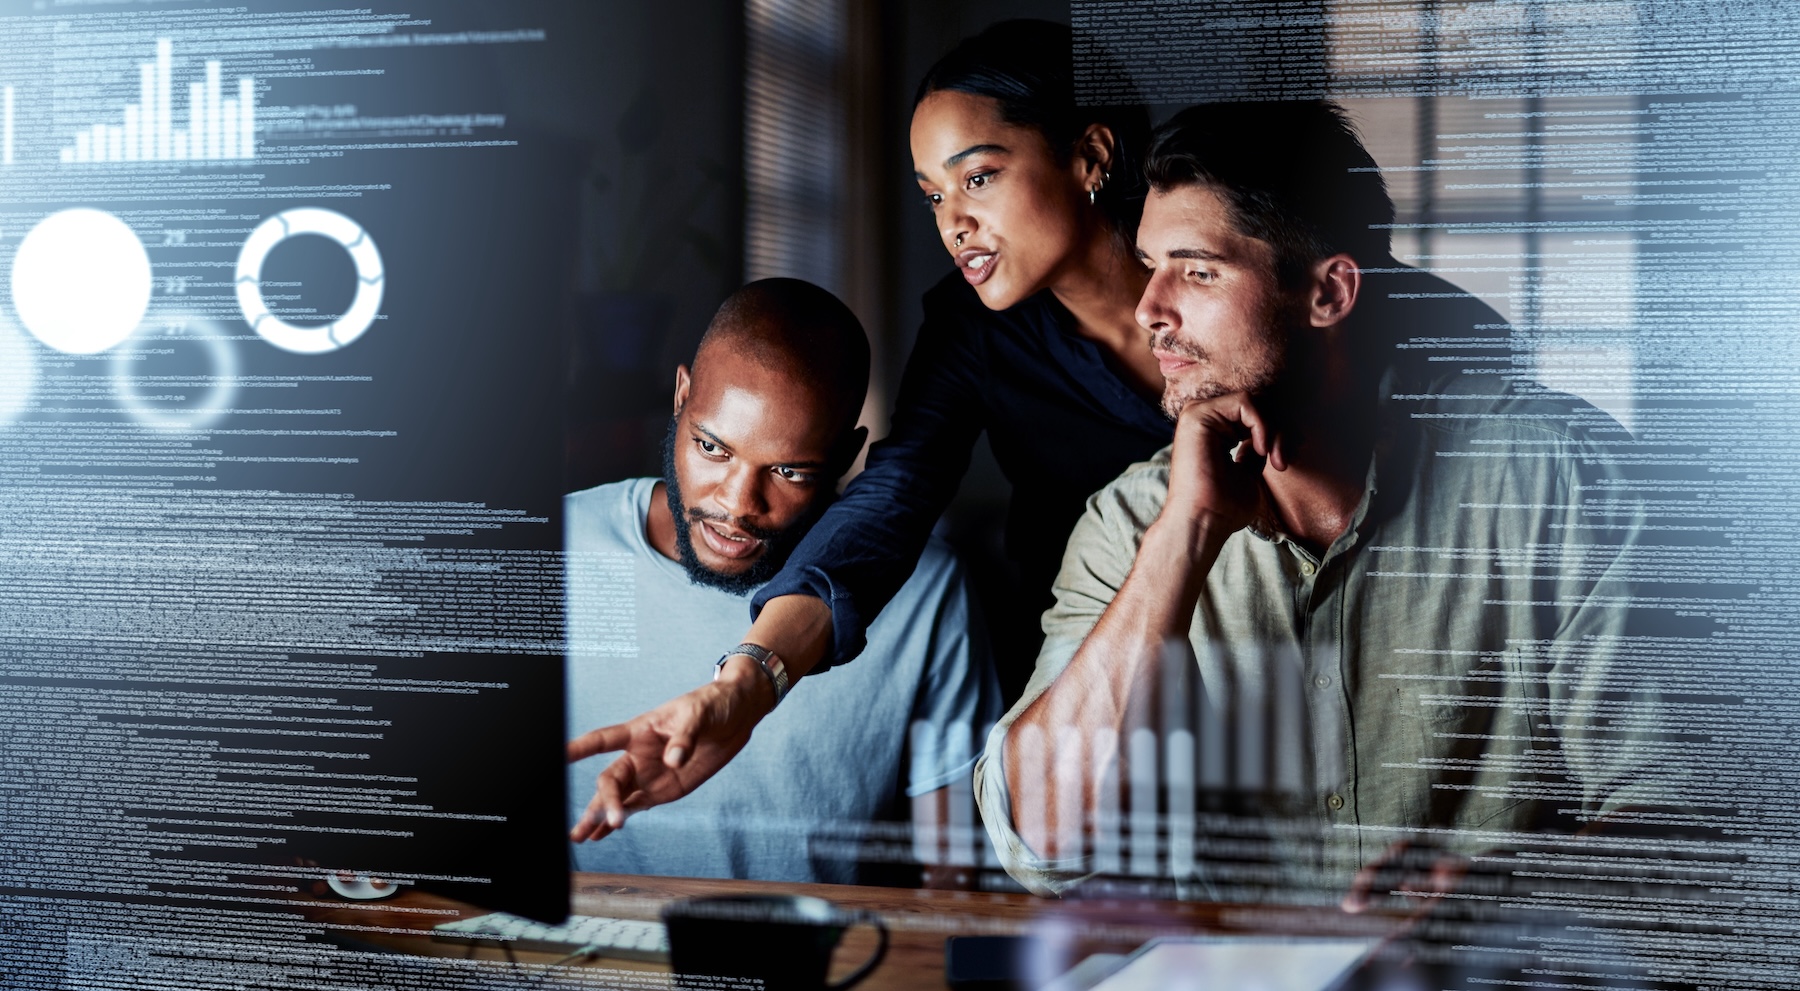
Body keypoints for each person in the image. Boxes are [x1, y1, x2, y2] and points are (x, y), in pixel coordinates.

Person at [973, 101, 1679, 904]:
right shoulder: (1133, 523)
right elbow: (1041, 845)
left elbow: (1684, 813)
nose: (1149, 309)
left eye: (1198, 270)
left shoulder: (1562, 480)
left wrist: (1505, 891)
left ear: (1328, 293)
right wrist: (1187, 534)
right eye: (1150, 264)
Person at [568, 20, 1177, 836]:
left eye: (980, 177)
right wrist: (745, 684)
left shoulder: (1238, 284)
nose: (952, 222)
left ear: (1091, 157)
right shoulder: (973, 331)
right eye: (933, 195)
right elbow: (895, 494)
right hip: (1100, 665)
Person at [565, 278, 999, 884]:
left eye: (789, 471)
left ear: (848, 456)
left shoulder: (926, 589)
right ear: (681, 395)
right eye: (712, 447)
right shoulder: (556, 548)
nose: (739, 505)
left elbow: (951, 873)